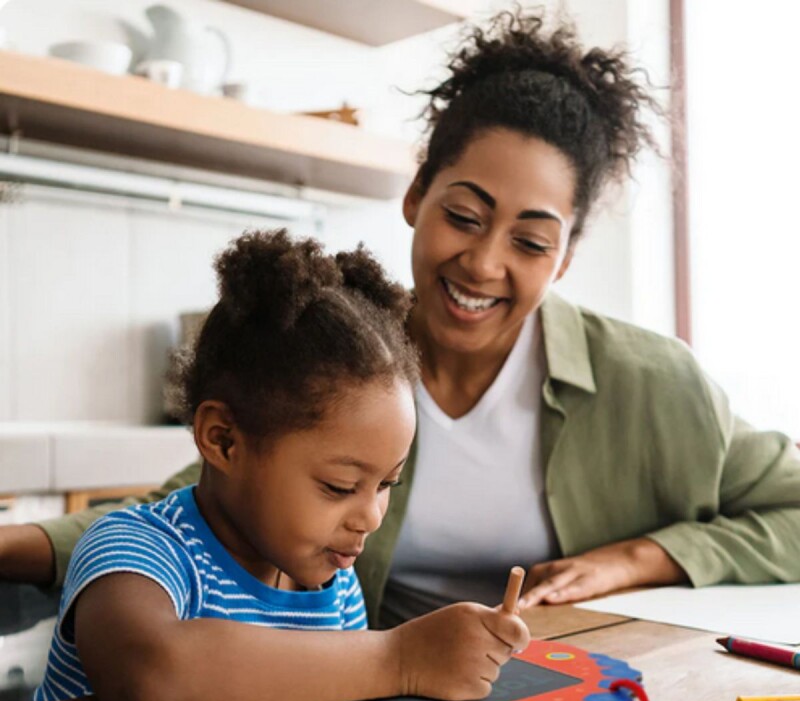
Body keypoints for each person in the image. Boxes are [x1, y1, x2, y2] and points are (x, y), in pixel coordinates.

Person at [2, 10, 799, 628]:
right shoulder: (350, 356)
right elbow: (189, 510)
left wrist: (648, 556)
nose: (485, 264)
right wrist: (20, 549)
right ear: (417, 195)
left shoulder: (654, 386)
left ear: (566, 256)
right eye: (464, 214)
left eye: (529, 239)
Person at [32, 230, 530, 701]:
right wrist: (397, 660)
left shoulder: (332, 590)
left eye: (385, 485)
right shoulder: (135, 550)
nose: (370, 517)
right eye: (339, 487)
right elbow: (152, 676)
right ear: (223, 440)